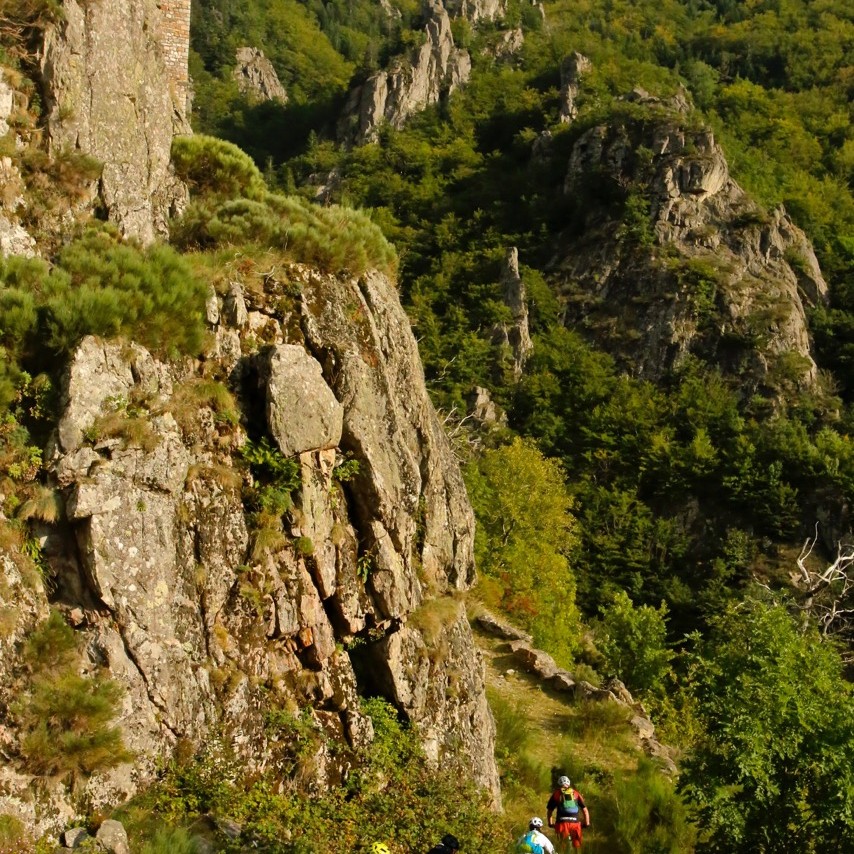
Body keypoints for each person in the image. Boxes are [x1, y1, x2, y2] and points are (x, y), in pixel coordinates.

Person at [546, 776, 590, 851]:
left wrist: (550, 823)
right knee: (577, 847)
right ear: (569, 783)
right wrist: (587, 823)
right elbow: (585, 810)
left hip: (561, 824)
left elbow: (550, 811)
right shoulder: (576, 793)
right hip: (575, 823)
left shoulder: (556, 794)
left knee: (562, 847)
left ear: (559, 784)